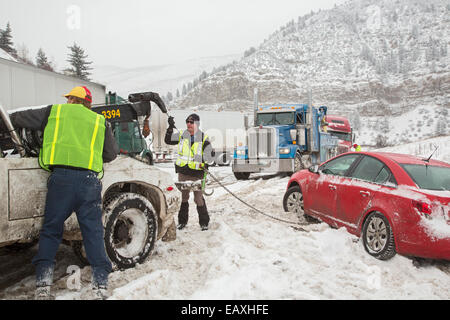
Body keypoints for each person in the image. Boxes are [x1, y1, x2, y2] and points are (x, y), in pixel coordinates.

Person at [9, 86, 119, 300]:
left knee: (51, 230)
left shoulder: (54, 112)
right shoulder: (99, 121)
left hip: (61, 180)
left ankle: (42, 284)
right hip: (89, 182)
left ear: (72, 100)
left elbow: (19, 118)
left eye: (69, 98)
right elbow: (111, 153)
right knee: (93, 233)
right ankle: (100, 285)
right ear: (87, 102)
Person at [164, 113, 213, 231]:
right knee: (184, 197)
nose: (188, 124)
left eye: (191, 122)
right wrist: (170, 127)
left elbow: (210, 157)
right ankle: (182, 222)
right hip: (183, 171)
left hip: (197, 173)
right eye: (187, 122)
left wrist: (205, 160)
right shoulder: (182, 135)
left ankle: (204, 223)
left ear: (197, 124)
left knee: (198, 199)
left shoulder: (203, 138)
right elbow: (168, 140)